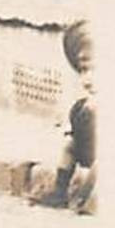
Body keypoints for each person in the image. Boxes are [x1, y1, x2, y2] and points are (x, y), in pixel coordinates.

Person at [35, 18, 97, 212]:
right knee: (68, 146)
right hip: (89, 150)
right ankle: (59, 192)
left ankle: (85, 198)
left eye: (94, 70)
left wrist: (83, 196)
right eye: (83, 70)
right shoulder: (83, 107)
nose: (86, 80)